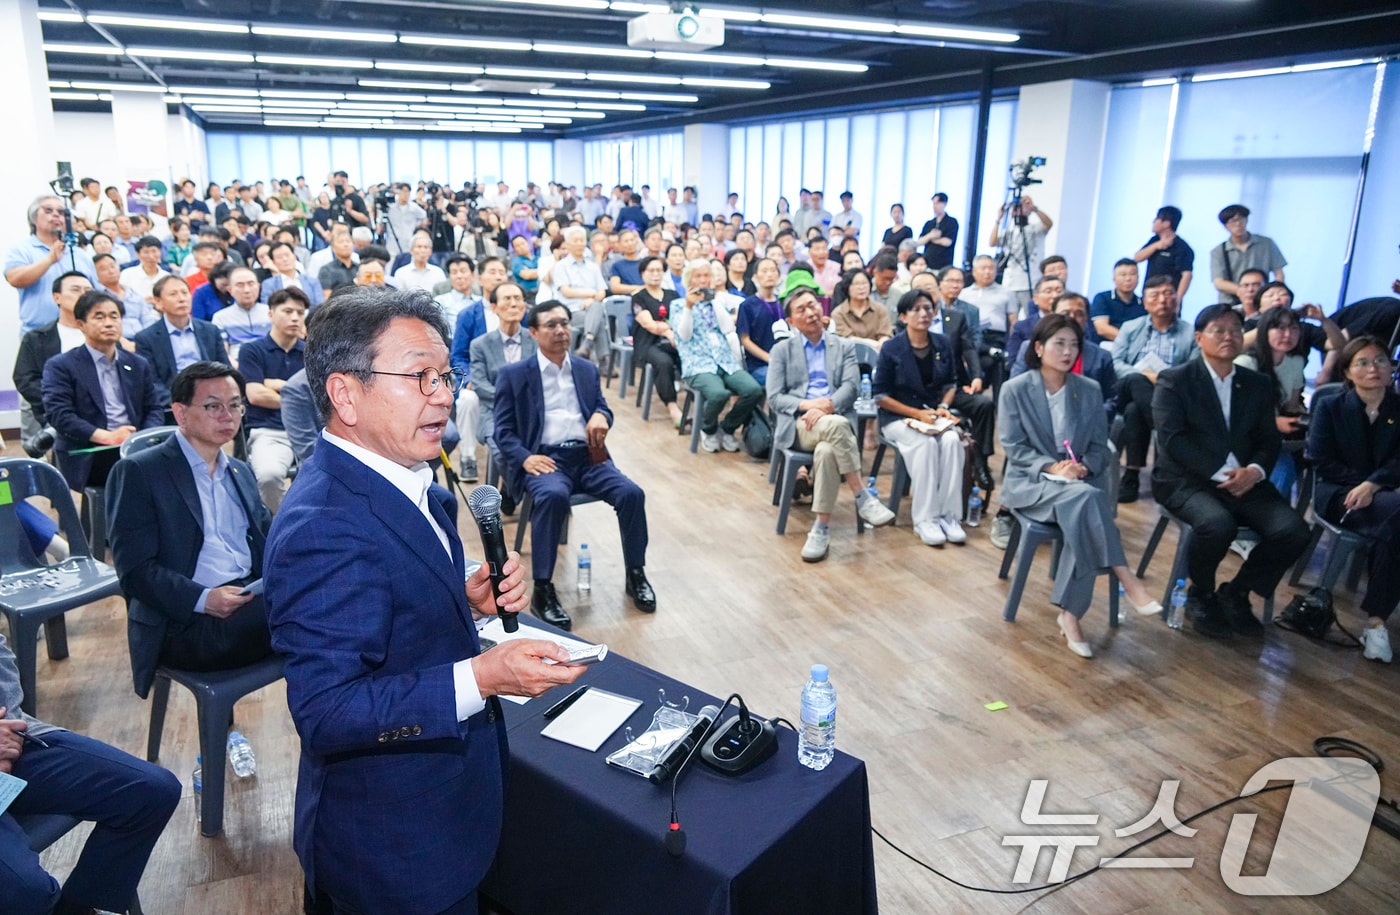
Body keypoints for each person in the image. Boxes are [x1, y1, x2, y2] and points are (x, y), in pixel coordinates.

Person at [265, 286, 583, 913]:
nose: (444, 395)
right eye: (420, 378)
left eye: (446, 375)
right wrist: (484, 676)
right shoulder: (323, 526)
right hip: (389, 847)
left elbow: (384, 611)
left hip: (446, 808)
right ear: (345, 394)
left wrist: (462, 600)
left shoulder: (409, 478)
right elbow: (327, 712)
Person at [108, 361, 277, 751]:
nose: (228, 416)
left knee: (318, 584)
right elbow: (135, 572)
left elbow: (267, 543)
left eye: (235, 405)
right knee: (312, 607)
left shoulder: (239, 470)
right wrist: (204, 600)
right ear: (180, 412)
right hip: (186, 621)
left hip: (246, 602)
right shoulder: (140, 472)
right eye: (213, 406)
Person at [998, 314, 1164, 658]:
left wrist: (1084, 466)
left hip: (1078, 480)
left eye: (1074, 344)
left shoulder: (1088, 389)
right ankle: (1124, 580)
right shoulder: (1015, 389)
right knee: (1089, 503)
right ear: (1039, 348)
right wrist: (1051, 466)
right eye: (1059, 343)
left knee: (1082, 506)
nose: (1068, 351)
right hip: (1033, 483)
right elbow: (1013, 447)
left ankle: (1071, 616)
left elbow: (1099, 445)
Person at [494, 300, 657, 631]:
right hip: (546, 458)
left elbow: (601, 406)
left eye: (565, 323)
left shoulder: (585, 369)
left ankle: (635, 573)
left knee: (631, 494)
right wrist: (526, 458)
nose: (561, 330)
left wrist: (602, 415)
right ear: (534, 332)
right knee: (552, 498)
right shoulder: (514, 376)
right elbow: (503, 432)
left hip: (588, 457)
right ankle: (543, 589)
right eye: (551, 325)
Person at [1151, 304, 1311, 639]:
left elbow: (1268, 438)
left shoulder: (1256, 383)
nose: (1229, 336)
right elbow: (1174, 440)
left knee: (1294, 530)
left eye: (1236, 330)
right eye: (1219, 330)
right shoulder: (1176, 380)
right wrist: (1221, 473)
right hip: (1188, 480)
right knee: (1216, 524)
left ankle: (1238, 591)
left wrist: (1254, 470)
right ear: (1199, 338)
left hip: (1246, 481)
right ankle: (1202, 593)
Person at [0, 633, 180, 915]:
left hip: (10, 740)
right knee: (26, 892)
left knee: (152, 791)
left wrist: (9, 730)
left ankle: (78, 908)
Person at [770, 287, 896, 561]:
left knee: (827, 451)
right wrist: (809, 405)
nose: (810, 312)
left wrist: (827, 405)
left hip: (832, 417)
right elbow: (775, 398)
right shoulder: (782, 350)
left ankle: (821, 527)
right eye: (801, 309)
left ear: (823, 310)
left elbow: (851, 387)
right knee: (837, 426)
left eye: (813, 305)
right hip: (800, 423)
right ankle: (861, 496)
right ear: (790, 321)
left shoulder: (843, 346)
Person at [1307, 336, 1400, 663]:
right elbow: (1320, 459)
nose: (1373, 368)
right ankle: (1376, 622)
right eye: (1362, 362)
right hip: (1338, 493)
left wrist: (1373, 485)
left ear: (1392, 368)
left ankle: (1375, 621)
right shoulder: (1331, 406)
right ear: (1347, 371)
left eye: (1380, 361)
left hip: (1384, 495)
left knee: (1392, 525)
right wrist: (1362, 485)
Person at [41, 291, 164, 492]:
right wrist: (106, 437)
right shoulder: (62, 366)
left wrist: (142, 438)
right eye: (99, 317)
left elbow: (153, 409)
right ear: (81, 324)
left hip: (134, 445)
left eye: (114, 316)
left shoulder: (137, 363)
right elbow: (59, 415)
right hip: (91, 450)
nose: (109, 323)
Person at [874, 290, 968, 546]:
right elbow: (880, 395)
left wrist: (942, 407)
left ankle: (950, 516)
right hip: (897, 417)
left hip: (932, 414)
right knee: (925, 444)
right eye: (915, 309)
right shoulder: (892, 348)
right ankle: (925, 519)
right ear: (903, 316)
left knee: (951, 441)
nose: (923, 314)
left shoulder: (942, 343)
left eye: (928, 308)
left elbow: (951, 383)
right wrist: (916, 414)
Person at [1112, 274, 1199, 503]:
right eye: (1155, 295)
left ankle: (1131, 475)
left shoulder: (1190, 333)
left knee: (1134, 411)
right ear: (1145, 302)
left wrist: (1163, 379)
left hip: (1171, 393)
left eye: (1168, 293)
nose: (1162, 299)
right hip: (1131, 386)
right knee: (1135, 380)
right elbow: (1117, 363)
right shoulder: (1131, 327)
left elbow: (1194, 369)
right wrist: (1146, 376)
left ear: (1176, 299)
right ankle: (1166, 432)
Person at [672, 259, 765, 453]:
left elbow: (728, 328)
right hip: (698, 364)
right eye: (698, 276)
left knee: (753, 390)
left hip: (725, 361)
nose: (703, 280)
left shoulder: (718, 303)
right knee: (718, 394)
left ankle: (728, 428)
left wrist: (713, 300)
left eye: (706, 276)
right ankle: (709, 429)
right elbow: (684, 335)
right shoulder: (678, 305)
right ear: (689, 279)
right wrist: (689, 306)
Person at [239, 288, 308, 512]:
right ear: (270, 314)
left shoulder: (311, 352)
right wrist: (299, 398)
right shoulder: (252, 350)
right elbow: (256, 395)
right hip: (270, 432)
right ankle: (276, 526)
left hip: (309, 429)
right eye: (287, 311)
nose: (295, 317)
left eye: (300, 312)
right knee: (269, 475)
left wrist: (276, 384)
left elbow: (319, 398)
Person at [12, 271, 92, 455]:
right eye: (75, 289)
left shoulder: (102, 335)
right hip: (53, 415)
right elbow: (25, 378)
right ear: (57, 297)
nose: (83, 294)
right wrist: (58, 404)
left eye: (88, 290)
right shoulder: (37, 338)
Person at [1235, 306, 1307, 496]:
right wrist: (1273, 423)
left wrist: (1305, 419)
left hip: (1273, 438)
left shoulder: (1296, 361)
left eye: (1294, 328)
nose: (1287, 334)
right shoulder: (1246, 364)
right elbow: (1232, 413)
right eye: (1279, 328)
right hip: (1242, 439)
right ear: (1264, 330)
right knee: (1283, 466)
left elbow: (1291, 405)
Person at [133, 275, 231, 409]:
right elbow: (152, 382)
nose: (181, 298)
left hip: (212, 399)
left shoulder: (210, 331)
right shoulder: (146, 338)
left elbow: (224, 369)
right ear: (158, 302)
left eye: (185, 293)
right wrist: (179, 403)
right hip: (174, 404)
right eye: (173, 294)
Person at [6, 195, 97, 333]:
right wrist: (49, 260)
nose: (56, 215)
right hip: (40, 335)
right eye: (48, 211)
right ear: (33, 219)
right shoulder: (22, 249)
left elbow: (95, 292)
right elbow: (15, 279)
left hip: (81, 332)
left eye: (61, 212)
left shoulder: (80, 255)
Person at [470, 281, 535, 467]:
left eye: (518, 299)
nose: (513, 304)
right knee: (504, 454)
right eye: (507, 299)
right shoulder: (480, 345)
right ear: (494, 307)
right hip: (495, 412)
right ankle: (512, 494)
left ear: (524, 306)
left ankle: (518, 493)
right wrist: (513, 403)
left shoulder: (537, 340)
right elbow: (481, 385)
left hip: (533, 412)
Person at [630, 256, 685, 426]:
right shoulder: (638, 298)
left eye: (659, 270)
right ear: (642, 274)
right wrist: (668, 331)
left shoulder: (673, 295)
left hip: (676, 342)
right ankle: (672, 407)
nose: (655, 274)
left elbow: (682, 319)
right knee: (664, 363)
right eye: (651, 271)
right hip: (648, 343)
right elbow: (649, 324)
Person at [1210, 204, 1287, 305]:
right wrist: (1246, 292)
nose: (1238, 224)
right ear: (1225, 226)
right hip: (1231, 302)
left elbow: (1279, 273)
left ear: (1247, 220)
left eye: (1241, 219)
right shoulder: (1218, 251)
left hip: (1262, 301)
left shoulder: (1266, 243)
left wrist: (1270, 293)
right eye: (1233, 221)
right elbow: (1219, 282)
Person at [988, 194, 1053, 310]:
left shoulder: (1035, 229)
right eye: (1016, 209)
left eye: (1022, 208)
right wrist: (999, 219)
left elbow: (1049, 224)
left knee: (1031, 314)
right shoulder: (1009, 231)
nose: (1019, 211)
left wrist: (1034, 208)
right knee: (1008, 317)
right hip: (1010, 282)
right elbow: (992, 243)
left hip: (1029, 282)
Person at [735, 257, 786, 384]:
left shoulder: (784, 302)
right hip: (759, 364)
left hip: (786, 360)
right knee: (780, 380)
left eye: (773, 270)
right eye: (764, 271)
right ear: (756, 277)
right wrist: (769, 358)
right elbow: (745, 339)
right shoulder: (747, 305)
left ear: (778, 276)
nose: (769, 274)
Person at [1134, 205, 1194, 302]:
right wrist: (1156, 245)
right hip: (1148, 296)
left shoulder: (1182, 247)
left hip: (1168, 299)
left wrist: (1177, 300)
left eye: (1157, 219)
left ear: (1166, 223)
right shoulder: (1154, 240)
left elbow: (1187, 275)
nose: (1153, 222)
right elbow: (1137, 258)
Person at [831, 267, 893, 349]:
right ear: (847, 287)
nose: (861, 288)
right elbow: (847, 339)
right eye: (856, 284)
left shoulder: (880, 309)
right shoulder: (838, 313)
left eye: (864, 283)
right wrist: (872, 344)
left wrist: (881, 344)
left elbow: (885, 335)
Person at [212, 265, 274, 347]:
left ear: (258, 287)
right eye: (240, 285)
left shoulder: (272, 313)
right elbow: (223, 353)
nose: (246, 290)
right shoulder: (220, 318)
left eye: (251, 284)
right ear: (230, 290)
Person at [1090, 259, 1145, 342]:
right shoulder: (1102, 298)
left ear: (1138, 278)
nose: (1128, 278)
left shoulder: (1143, 303)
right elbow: (1102, 328)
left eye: (1133, 274)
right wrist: (1129, 340)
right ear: (1114, 279)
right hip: (1106, 346)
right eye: (1123, 275)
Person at [916, 192, 958, 271]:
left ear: (944, 204)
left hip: (944, 264)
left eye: (938, 203)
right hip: (928, 263)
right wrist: (930, 236)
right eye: (933, 203)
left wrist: (930, 239)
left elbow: (947, 242)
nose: (935, 206)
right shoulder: (929, 223)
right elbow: (919, 242)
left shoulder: (951, 222)